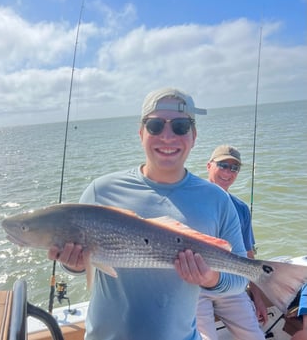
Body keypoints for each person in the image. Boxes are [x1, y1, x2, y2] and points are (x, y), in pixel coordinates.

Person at [48, 87, 248, 340]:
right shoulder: (101, 190)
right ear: (141, 133)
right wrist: (72, 263)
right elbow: (80, 264)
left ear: (194, 135)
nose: (167, 136)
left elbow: (241, 277)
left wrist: (210, 278)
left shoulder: (217, 199)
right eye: (155, 126)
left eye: (180, 126)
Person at [196, 145, 268, 340]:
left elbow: (248, 256)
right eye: (223, 165)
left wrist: (258, 297)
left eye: (234, 168)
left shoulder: (241, 208)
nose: (228, 172)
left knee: (255, 336)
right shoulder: (191, 199)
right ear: (209, 165)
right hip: (195, 287)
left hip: (231, 286)